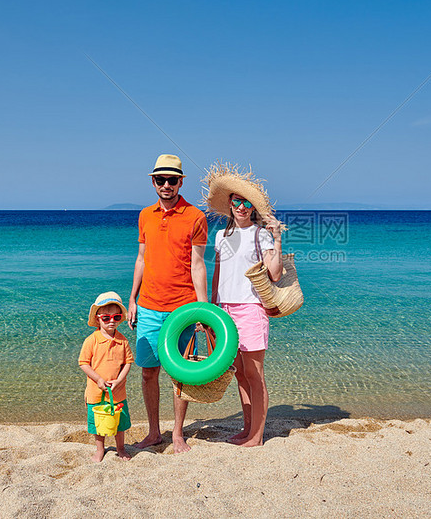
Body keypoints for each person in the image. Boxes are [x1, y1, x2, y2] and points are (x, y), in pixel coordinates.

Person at [128, 154, 208, 453]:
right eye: (160, 179)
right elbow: (141, 259)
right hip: (148, 305)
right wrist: (132, 299)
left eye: (172, 180)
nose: (166, 185)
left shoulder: (195, 217)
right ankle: (153, 432)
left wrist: (204, 310)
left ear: (180, 182)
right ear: (153, 181)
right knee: (149, 371)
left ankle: (177, 433)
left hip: (183, 308)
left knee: (181, 372)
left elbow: (198, 265)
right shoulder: (145, 215)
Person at [205, 163, 283, 446]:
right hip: (224, 310)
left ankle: (257, 436)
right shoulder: (221, 236)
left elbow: (274, 274)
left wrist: (276, 237)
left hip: (252, 308)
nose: (241, 206)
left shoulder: (260, 234)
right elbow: (217, 274)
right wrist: (211, 309)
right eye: (236, 200)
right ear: (229, 203)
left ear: (253, 207)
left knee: (254, 373)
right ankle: (247, 428)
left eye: (246, 202)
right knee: (239, 373)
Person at [79, 292, 133, 462]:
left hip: (117, 391)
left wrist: (119, 380)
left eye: (116, 317)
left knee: (120, 423)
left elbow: (128, 363)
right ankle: (100, 449)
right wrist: (98, 379)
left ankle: (121, 448)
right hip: (96, 391)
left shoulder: (123, 341)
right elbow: (83, 363)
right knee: (97, 424)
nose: (111, 321)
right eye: (106, 317)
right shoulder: (91, 340)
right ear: (98, 318)